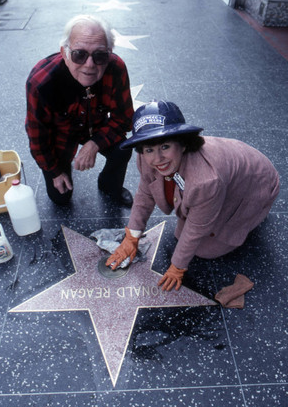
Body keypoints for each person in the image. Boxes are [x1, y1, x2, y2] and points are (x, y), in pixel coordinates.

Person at [106, 100, 280, 291]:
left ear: (182, 143)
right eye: (149, 150)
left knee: (205, 250)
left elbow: (196, 228)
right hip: (226, 176)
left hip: (254, 186)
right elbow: (145, 194)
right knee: (182, 234)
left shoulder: (207, 180)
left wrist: (177, 267)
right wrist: (132, 237)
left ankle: (254, 216)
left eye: (165, 146)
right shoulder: (145, 157)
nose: (157, 159)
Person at [25, 14, 134, 207]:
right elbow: (37, 137)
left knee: (123, 149)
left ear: (109, 53)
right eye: (79, 54)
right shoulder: (41, 82)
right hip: (61, 137)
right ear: (64, 53)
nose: (89, 65)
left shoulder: (116, 68)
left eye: (100, 55)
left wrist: (94, 144)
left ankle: (109, 184)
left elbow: (124, 118)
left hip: (97, 127)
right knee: (60, 198)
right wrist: (55, 172)